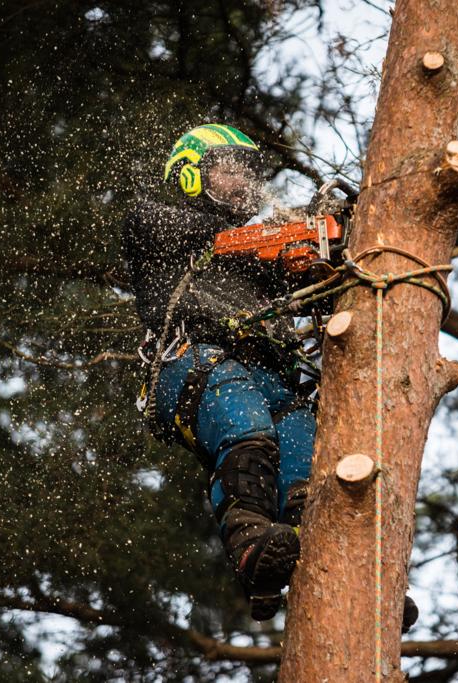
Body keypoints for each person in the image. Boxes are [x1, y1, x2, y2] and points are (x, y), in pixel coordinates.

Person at [122, 124, 315, 621]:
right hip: (192, 362)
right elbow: (172, 230)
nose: (242, 182)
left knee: (304, 446)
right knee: (244, 423)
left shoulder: (256, 253)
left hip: (271, 374)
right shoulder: (153, 217)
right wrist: (272, 234)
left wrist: (315, 239)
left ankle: (314, 561)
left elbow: (306, 271)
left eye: (247, 172)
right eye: (229, 170)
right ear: (190, 174)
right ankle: (250, 539)